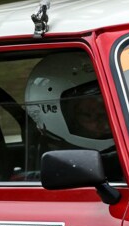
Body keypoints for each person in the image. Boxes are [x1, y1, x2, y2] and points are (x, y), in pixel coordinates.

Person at [24, 52, 122, 180]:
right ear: (53, 115)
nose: (106, 120)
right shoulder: (60, 171)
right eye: (89, 113)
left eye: (107, 106)